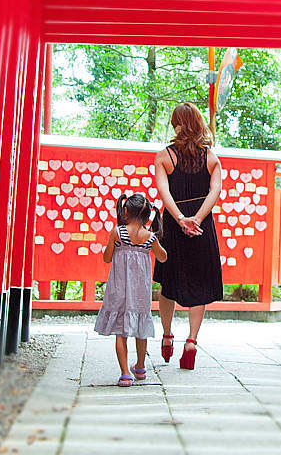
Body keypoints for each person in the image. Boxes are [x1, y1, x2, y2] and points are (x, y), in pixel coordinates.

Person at [153, 102, 224, 370]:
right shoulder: (212, 158)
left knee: (168, 281)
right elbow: (214, 192)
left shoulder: (164, 157)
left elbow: (163, 191)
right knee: (200, 283)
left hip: (174, 223)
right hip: (202, 225)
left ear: (177, 124)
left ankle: (168, 334)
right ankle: (191, 342)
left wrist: (181, 219)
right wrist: (198, 218)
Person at [94, 193, 167, 387]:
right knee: (141, 328)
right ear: (147, 216)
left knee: (121, 331)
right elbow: (163, 257)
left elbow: (107, 258)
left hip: (119, 290)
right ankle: (141, 367)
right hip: (141, 293)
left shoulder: (118, 232)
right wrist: (154, 240)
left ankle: (125, 373)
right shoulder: (149, 237)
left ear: (125, 211)